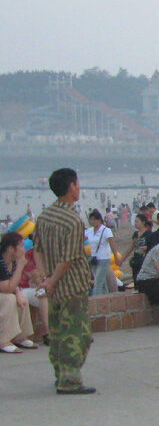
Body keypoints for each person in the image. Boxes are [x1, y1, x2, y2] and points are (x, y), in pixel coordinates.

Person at [32, 168, 95, 394]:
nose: (79, 188)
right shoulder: (73, 221)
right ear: (71, 187)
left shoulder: (44, 216)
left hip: (54, 288)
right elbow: (68, 260)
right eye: (77, 184)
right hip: (72, 286)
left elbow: (37, 250)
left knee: (58, 332)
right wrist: (53, 280)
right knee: (77, 334)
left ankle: (60, 373)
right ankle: (70, 380)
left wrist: (46, 279)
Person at [0, 232, 38, 353]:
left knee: (21, 298)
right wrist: (21, 266)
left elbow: (12, 285)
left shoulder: (12, 261)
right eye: (21, 245)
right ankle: (3, 339)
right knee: (9, 299)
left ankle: (20, 336)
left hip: (5, 291)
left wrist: (19, 293)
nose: (24, 248)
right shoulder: (1, 262)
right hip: (4, 293)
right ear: (11, 248)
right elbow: (7, 288)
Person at [83, 210, 120, 294]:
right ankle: (105, 299)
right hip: (94, 259)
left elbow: (112, 245)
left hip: (104, 259)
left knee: (98, 282)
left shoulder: (106, 230)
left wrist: (116, 257)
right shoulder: (89, 231)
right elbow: (80, 238)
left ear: (99, 220)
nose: (92, 222)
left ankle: (97, 300)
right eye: (90, 220)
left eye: (94, 219)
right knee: (101, 282)